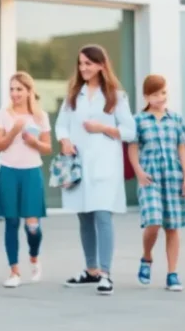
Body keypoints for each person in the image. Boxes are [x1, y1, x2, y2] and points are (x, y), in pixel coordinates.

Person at [54, 45, 135, 296]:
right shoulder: (73, 94)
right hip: (79, 164)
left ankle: (106, 274)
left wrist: (103, 128)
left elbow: (131, 131)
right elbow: (61, 126)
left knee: (102, 215)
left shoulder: (116, 96)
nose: (83, 68)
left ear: (101, 65)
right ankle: (91, 271)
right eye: (80, 64)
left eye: (88, 63)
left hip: (105, 165)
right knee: (84, 216)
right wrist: (65, 140)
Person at [126, 74, 185, 292]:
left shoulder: (175, 119)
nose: (160, 97)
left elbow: (181, 148)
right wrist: (139, 172)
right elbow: (133, 148)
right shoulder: (138, 120)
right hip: (150, 177)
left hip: (173, 176)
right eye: (155, 94)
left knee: (172, 226)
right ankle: (147, 257)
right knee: (153, 222)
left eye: (163, 92)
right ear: (146, 96)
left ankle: (172, 273)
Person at [0, 71, 51, 288]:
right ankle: (14, 271)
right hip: (8, 171)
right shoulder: (3, 114)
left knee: (33, 226)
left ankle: (34, 258)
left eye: (19, 89)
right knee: (11, 221)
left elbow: (47, 148)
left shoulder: (40, 116)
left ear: (29, 91)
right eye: (12, 89)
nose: (15, 93)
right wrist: (13, 132)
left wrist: (33, 141)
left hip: (31, 172)